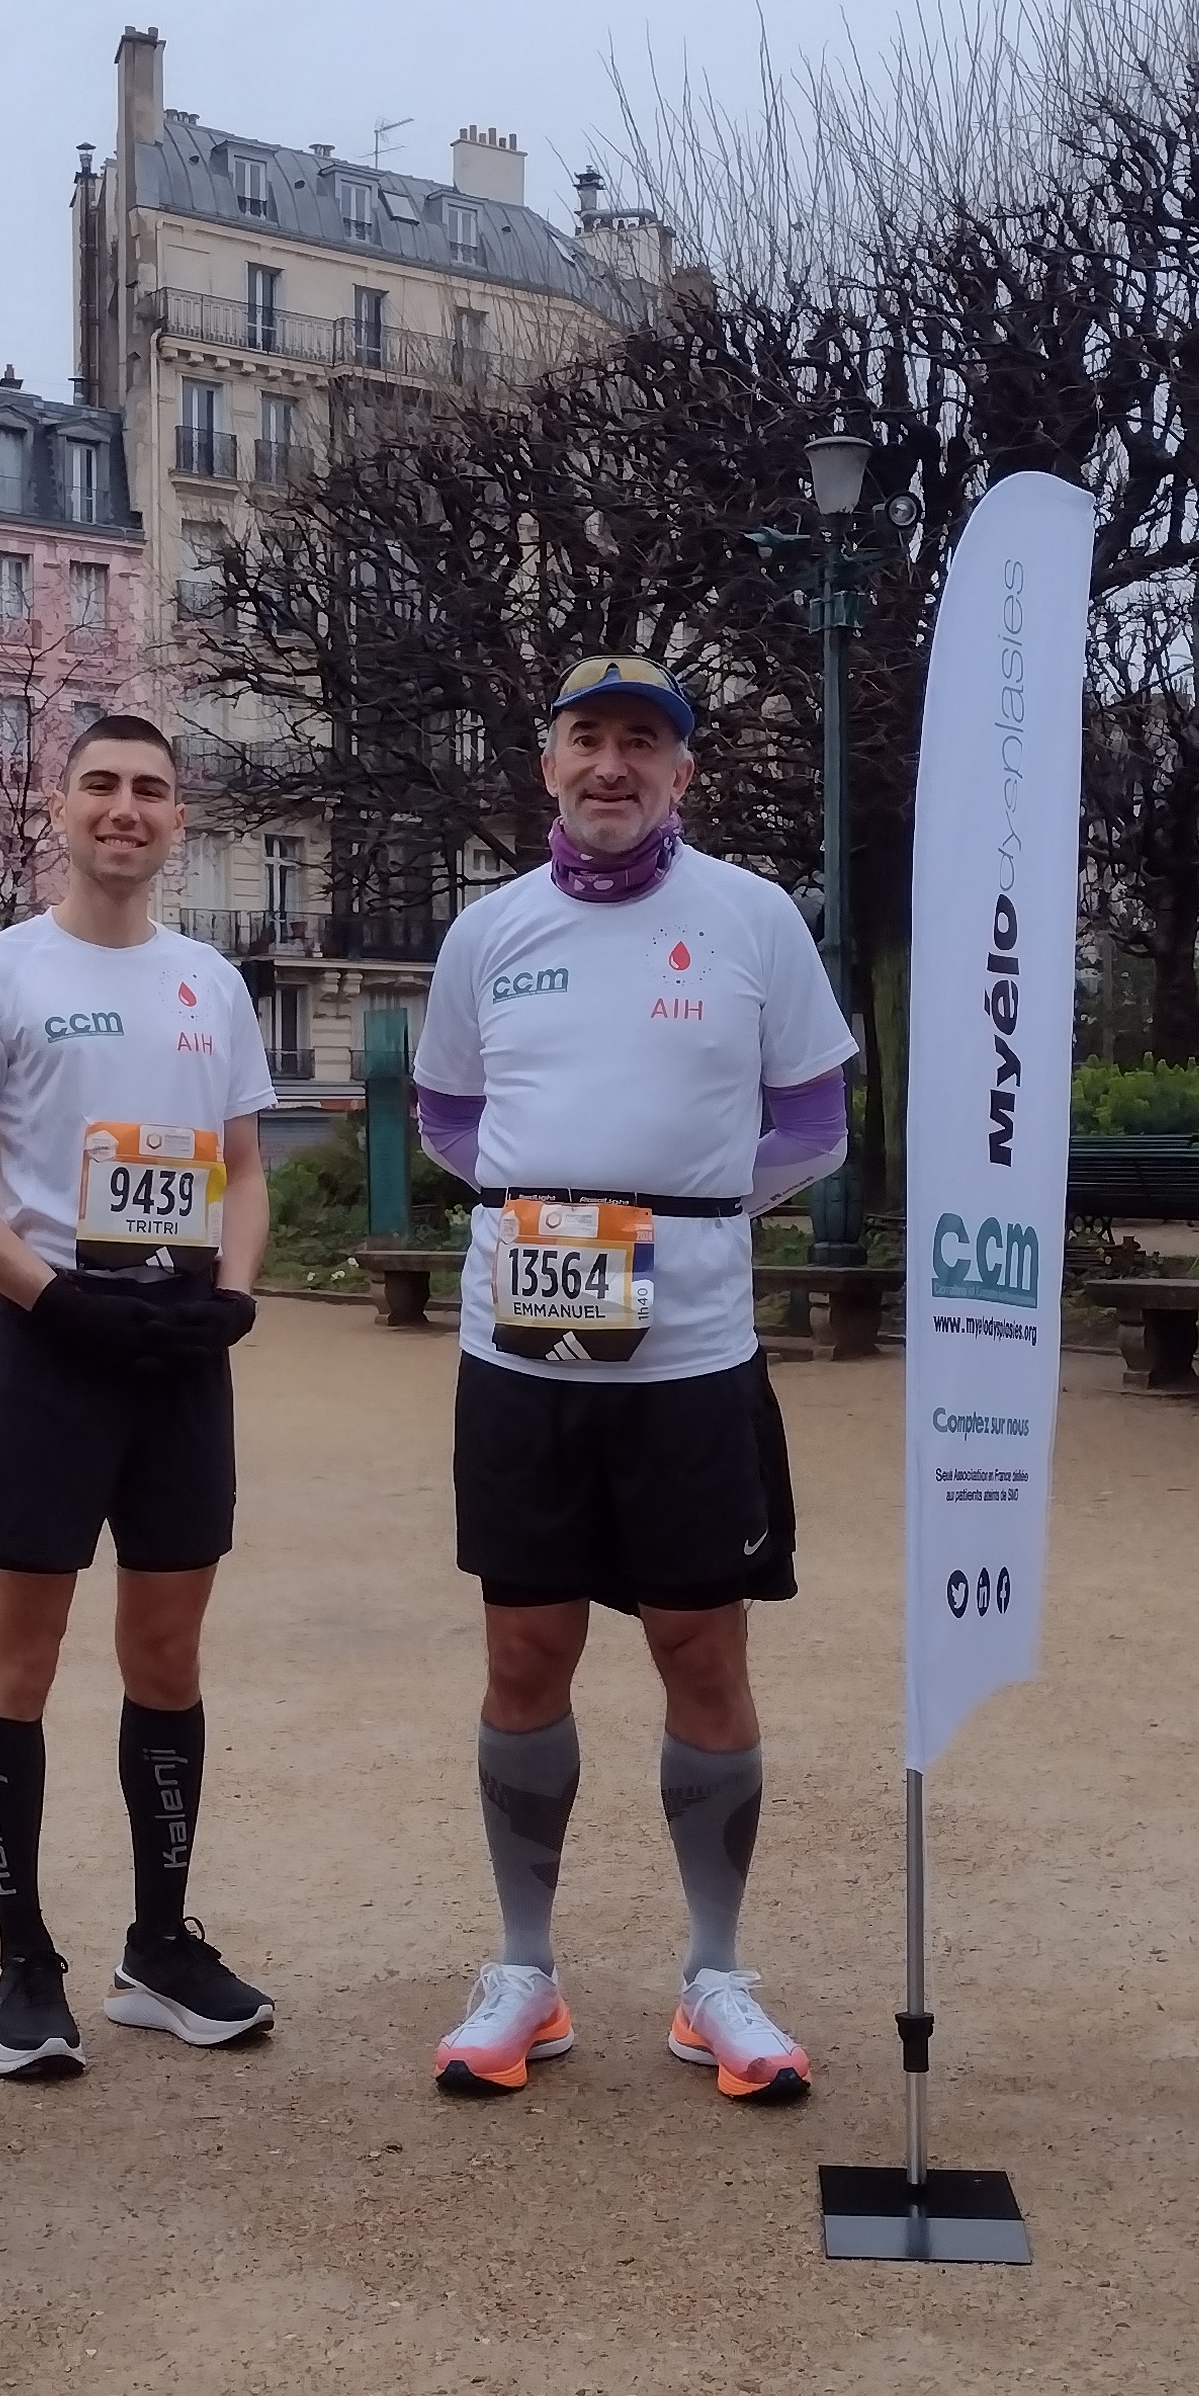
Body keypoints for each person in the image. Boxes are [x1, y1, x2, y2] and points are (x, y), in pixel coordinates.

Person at [410, 655, 856, 2106]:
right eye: (586, 740)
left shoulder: (751, 919)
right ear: (545, 765)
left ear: (682, 774)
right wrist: (559, 1213)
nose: (612, 766)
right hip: (518, 1350)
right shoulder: (490, 931)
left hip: (693, 1354)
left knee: (700, 1650)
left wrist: (679, 1218)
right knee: (525, 1651)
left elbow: (811, 1128)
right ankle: (525, 1971)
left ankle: (714, 1974)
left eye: (642, 745)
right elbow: (448, 1117)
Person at [0, 714, 279, 2078]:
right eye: (100, 785)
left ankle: (159, 1943)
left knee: (168, 1655)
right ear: (59, 805)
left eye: (148, 789)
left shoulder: (212, 982)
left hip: (181, 1351)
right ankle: (26, 1962)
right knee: (21, 1659)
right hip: (49, 1347)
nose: (124, 809)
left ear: (176, 817)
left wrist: (239, 1298)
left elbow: (244, 1167)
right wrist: (51, 1298)